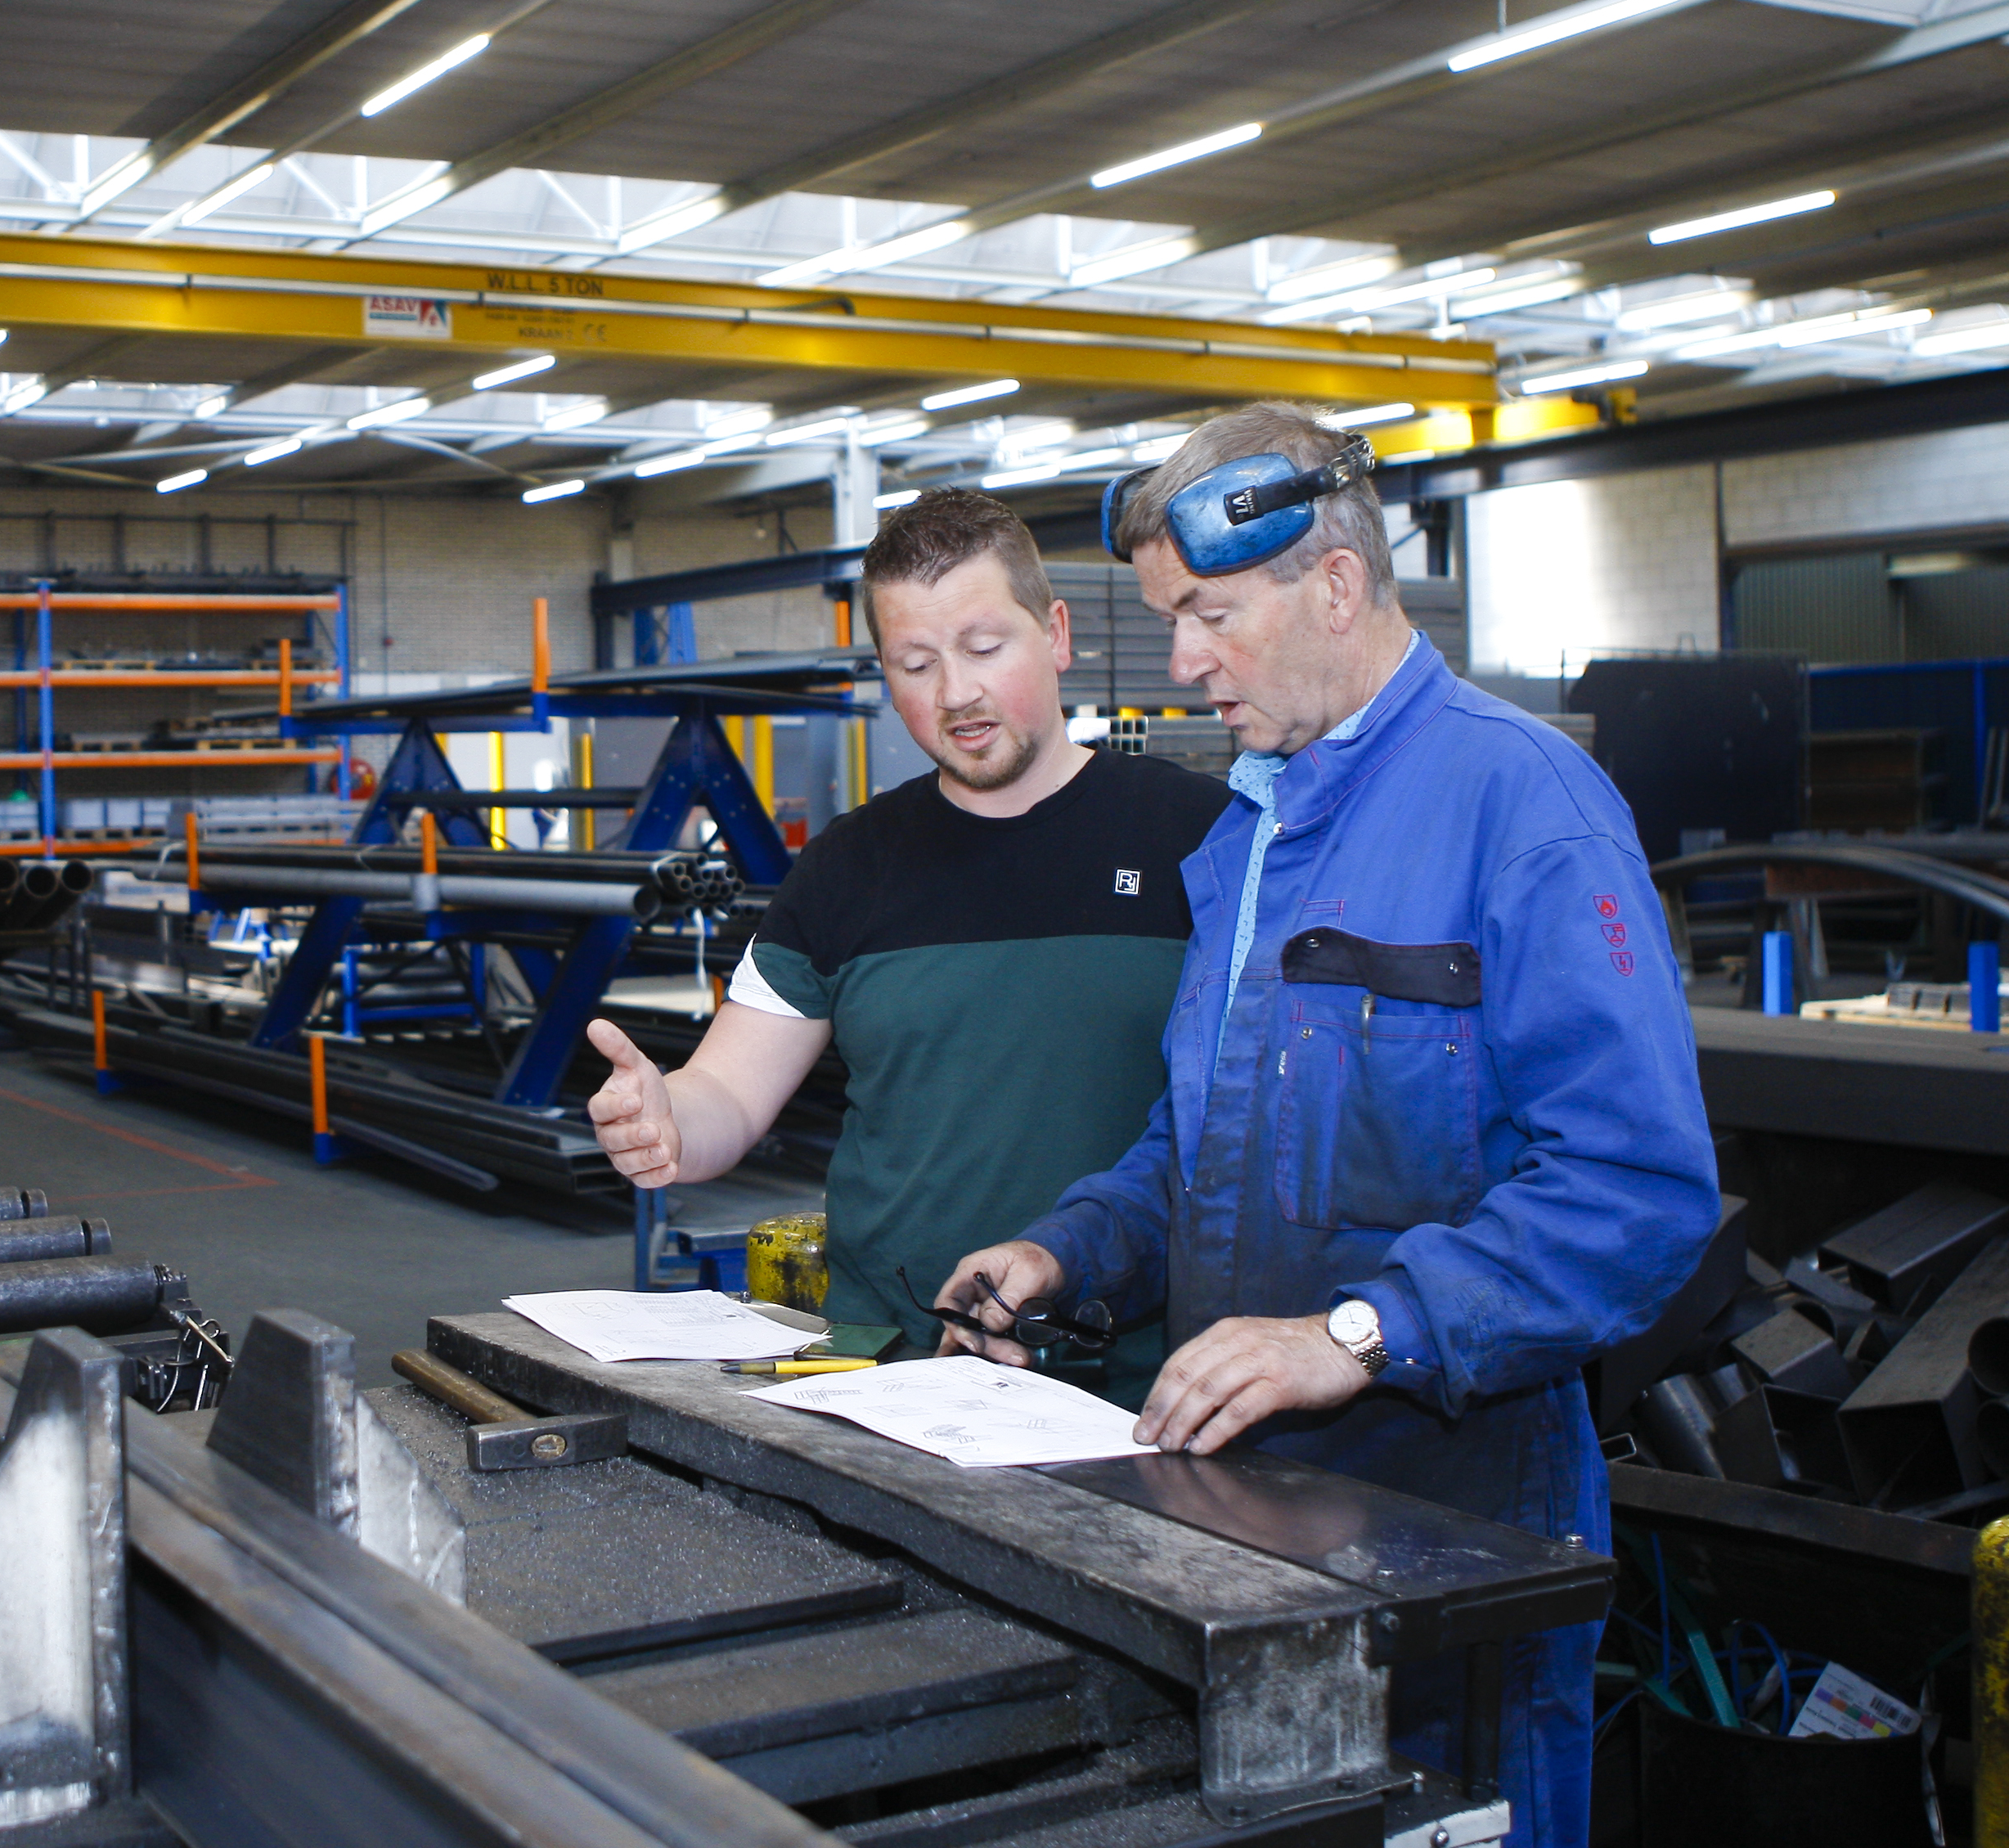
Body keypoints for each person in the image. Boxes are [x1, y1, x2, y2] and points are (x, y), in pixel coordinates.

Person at [935, 402, 1719, 1848]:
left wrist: (1351, 1333)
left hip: (1458, 1517)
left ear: (1336, 587)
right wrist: (1066, 1255)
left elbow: (1634, 1189)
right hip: (1240, 1506)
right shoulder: (1248, 836)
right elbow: (1199, 1144)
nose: (1178, 662)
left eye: (1206, 615)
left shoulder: (1523, 804)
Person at [584, 488, 1228, 1389]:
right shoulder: (846, 867)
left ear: (1059, 635)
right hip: (888, 1369)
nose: (955, 693)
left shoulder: (1203, 841)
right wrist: (667, 1122)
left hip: (1135, 1383)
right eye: (914, 663)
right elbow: (728, 1088)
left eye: (983, 648)